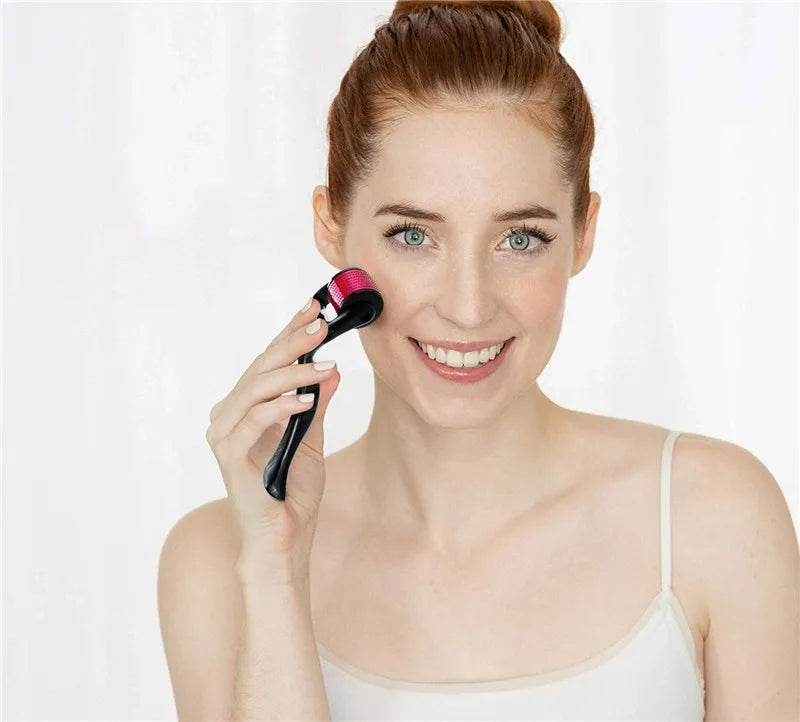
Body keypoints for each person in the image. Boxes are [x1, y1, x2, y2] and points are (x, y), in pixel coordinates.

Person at [158, 1, 800, 720]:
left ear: (584, 232)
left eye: (519, 239)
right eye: (413, 235)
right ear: (331, 225)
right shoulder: (220, 561)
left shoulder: (713, 520)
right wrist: (275, 568)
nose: (468, 308)